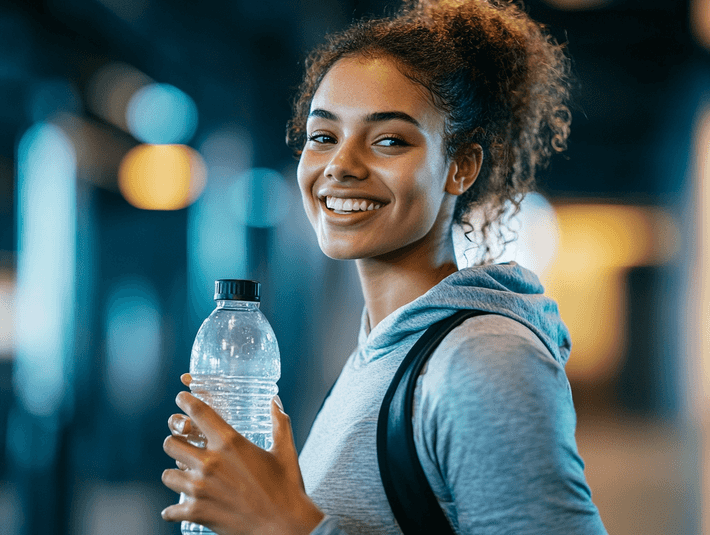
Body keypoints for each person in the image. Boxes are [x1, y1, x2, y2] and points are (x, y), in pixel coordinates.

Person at [161, 0, 608, 533]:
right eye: (323, 137)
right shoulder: (381, 352)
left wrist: (289, 525)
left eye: (389, 140)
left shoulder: (485, 358)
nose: (341, 165)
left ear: (460, 166)